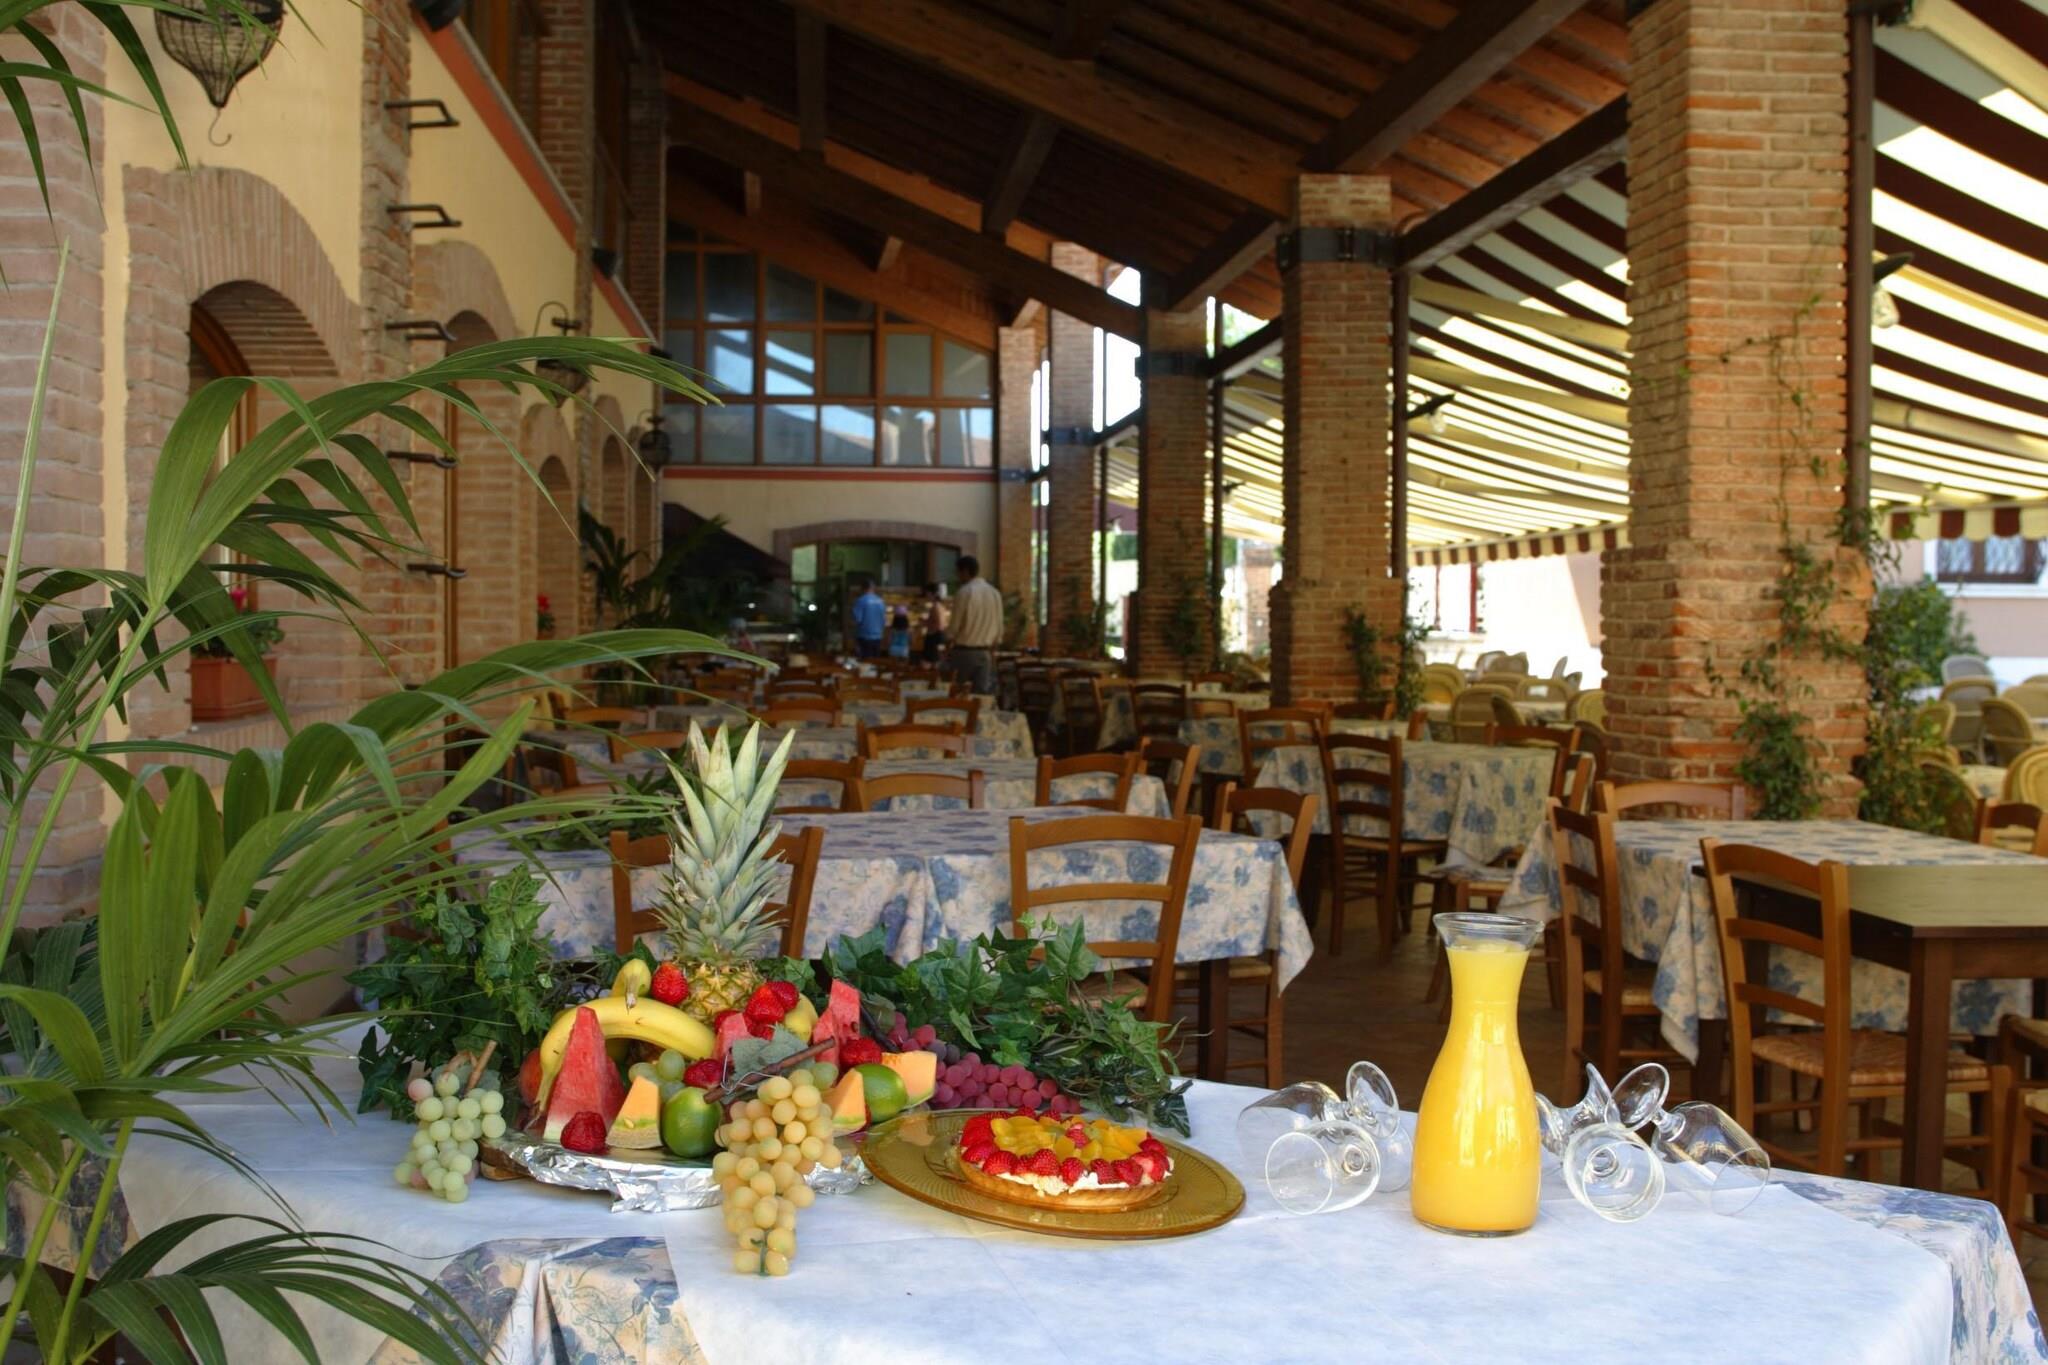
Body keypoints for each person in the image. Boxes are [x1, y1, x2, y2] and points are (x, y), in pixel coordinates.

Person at [946, 555, 1002, 696]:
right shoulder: (995, 593)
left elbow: (954, 626)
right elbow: (999, 626)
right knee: (980, 698)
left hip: (964, 652)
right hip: (985, 653)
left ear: (965, 571)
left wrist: (948, 642)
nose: (957, 577)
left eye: (958, 572)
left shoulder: (964, 592)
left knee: (958, 695)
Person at [850, 578, 887, 660]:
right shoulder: (880, 601)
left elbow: (857, 619)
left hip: (864, 636)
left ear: (862, 588)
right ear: (873, 588)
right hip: (878, 636)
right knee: (875, 661)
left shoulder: (861, 601)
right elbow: (884, 619)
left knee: (865, 662)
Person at [920, 582, 949, 664]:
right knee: (935, 662)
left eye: (927, 593)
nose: (926, 596)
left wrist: (925, 623)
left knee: (930, 663)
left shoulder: (936, 607)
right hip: (937, 637)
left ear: (931, 593)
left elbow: (939, 624)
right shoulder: (939, 606)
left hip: (934, 638)